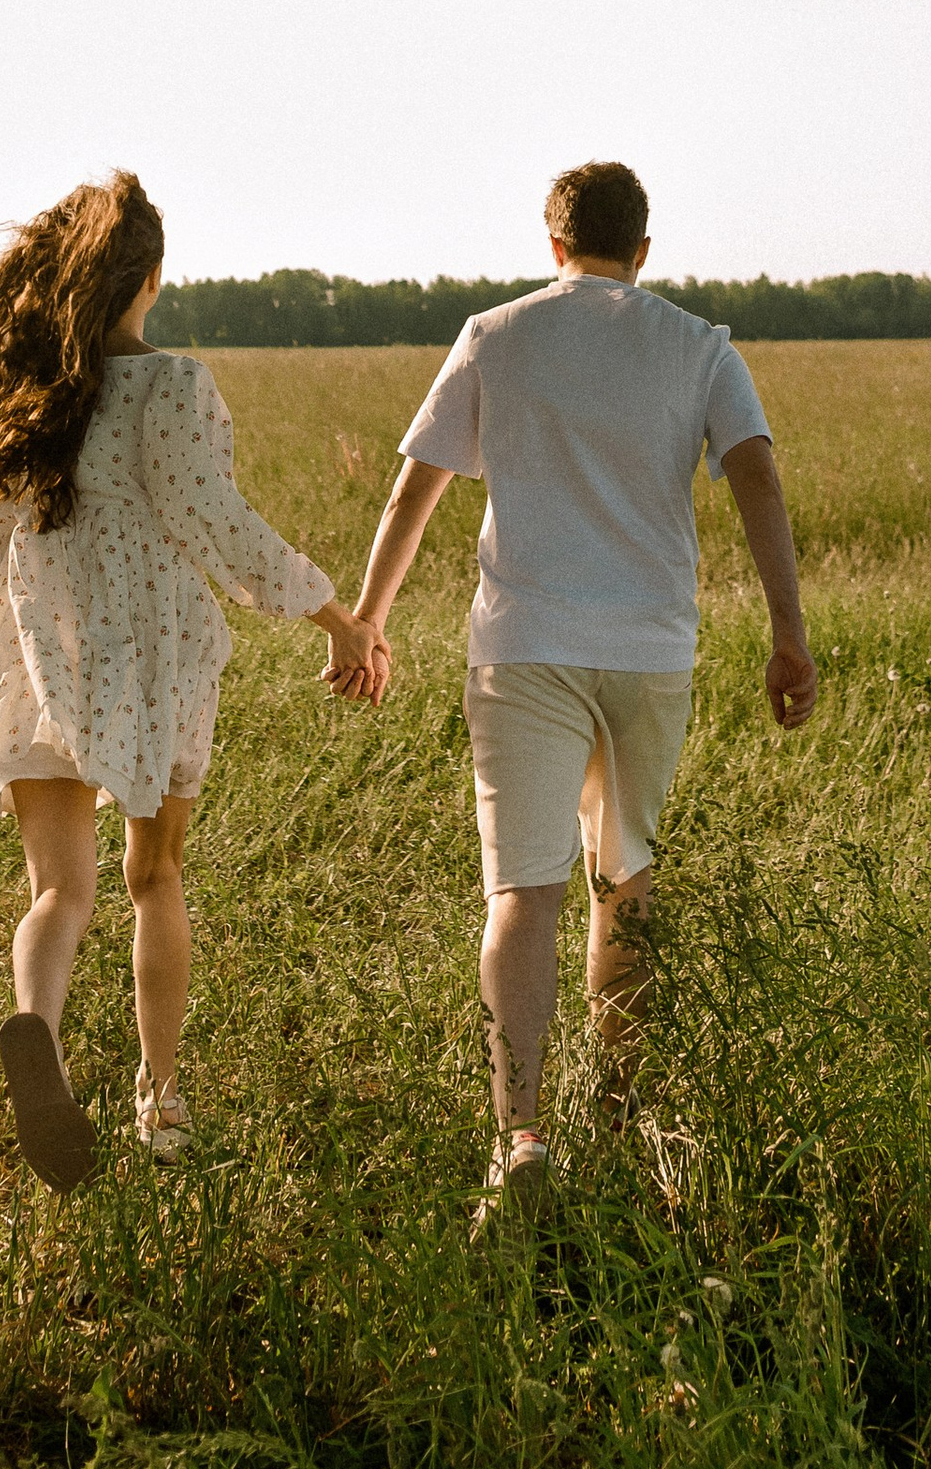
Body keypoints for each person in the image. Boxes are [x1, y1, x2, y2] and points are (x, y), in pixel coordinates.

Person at [349, 159, 817, 1208]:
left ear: (551, 243)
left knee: (524, 889)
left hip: (522, 647)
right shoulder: (699, 346)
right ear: (642, 251)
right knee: (625, 878)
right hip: (649, 653)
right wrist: (787, 634)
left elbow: (412, 489)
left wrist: (369, 621)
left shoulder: (494, 333)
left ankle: (519, 1138)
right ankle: (616, 1109)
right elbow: (757, 477)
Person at [0, 170, 386, 1189]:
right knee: (154, 877)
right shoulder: (171, 386)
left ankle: (35, 1024)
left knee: (58, 891)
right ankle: (159, 1099)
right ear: (152, 278)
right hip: (154, 661)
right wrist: (336, 615)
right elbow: (218, 523)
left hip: (41, 659)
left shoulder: (20, 398)